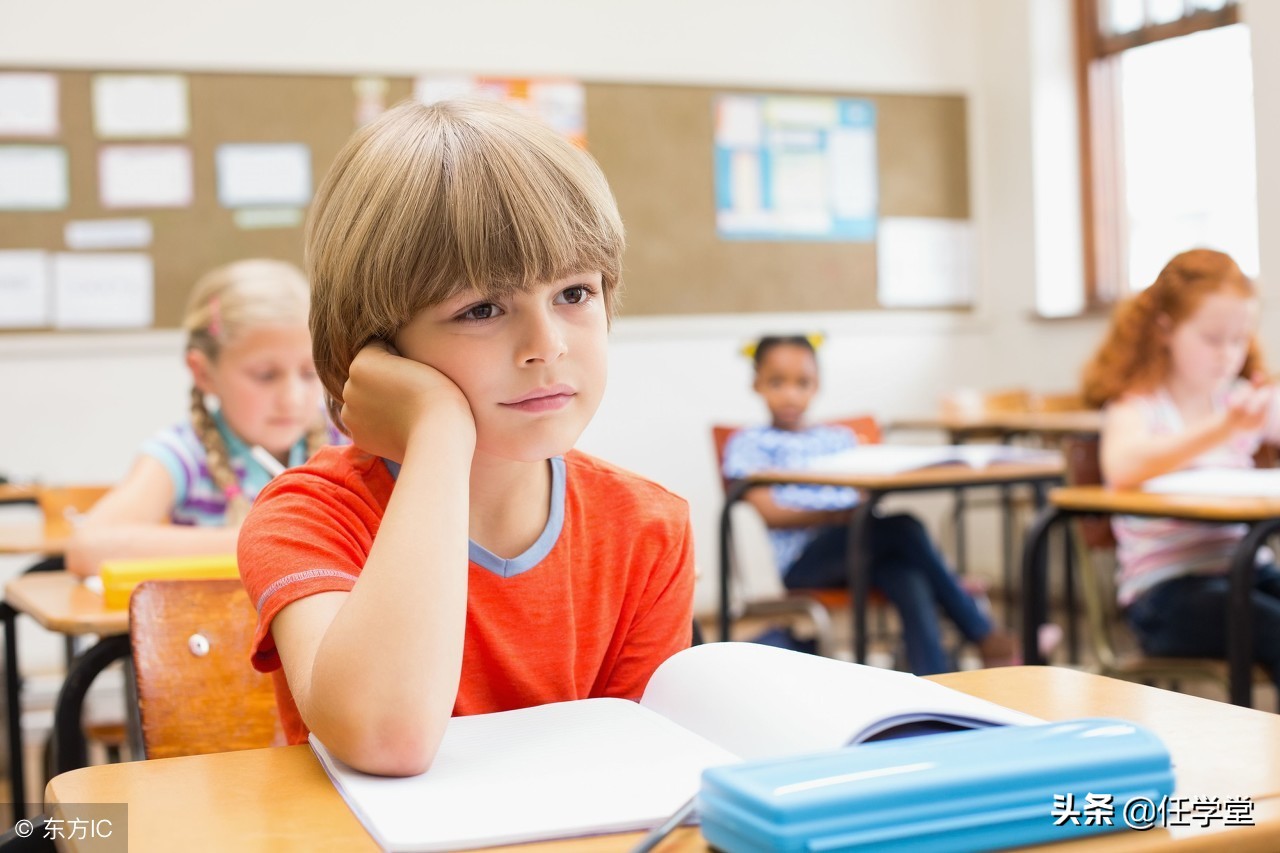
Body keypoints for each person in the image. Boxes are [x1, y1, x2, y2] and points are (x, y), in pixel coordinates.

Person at [236, 99, 696, 776]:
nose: (547, 346)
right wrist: (438, 426)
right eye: (481, 308)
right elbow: (385, 738)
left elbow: (632, 772)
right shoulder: (308, 516)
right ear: (372, 346)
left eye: (574, 293)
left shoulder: (648, 529)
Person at [722, 334, 1018, 675]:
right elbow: (772, 514)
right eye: (777, 382)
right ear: (757, 383)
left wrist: (857, 504)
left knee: (906, 576)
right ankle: (983, 634)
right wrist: (838, 513)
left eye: (802, 383)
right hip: (805, 562)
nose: (790, 393)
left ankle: (935, 683)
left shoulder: (837, 438)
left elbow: (866, 488)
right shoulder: (749, 443)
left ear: (816, 385)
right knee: (904, 527)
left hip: (861, 547)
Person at [1081, 248, 1280, 692]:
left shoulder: (1239, 398)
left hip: (1245, 568)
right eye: (1212, 339)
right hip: (1166, 595)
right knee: (1272, 628)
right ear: (1165, 329)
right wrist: (1221, 429)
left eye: (1239, 339)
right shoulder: (1139, 404)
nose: (1227, 354)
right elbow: (1123, 464)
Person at [66, 259, 335, 578]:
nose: (292, 398)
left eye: (309, 373)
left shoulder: (348, 439)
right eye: (265, 375)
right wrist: (264, 540)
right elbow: (89, 548)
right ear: (203, 372)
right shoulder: (183, 454)